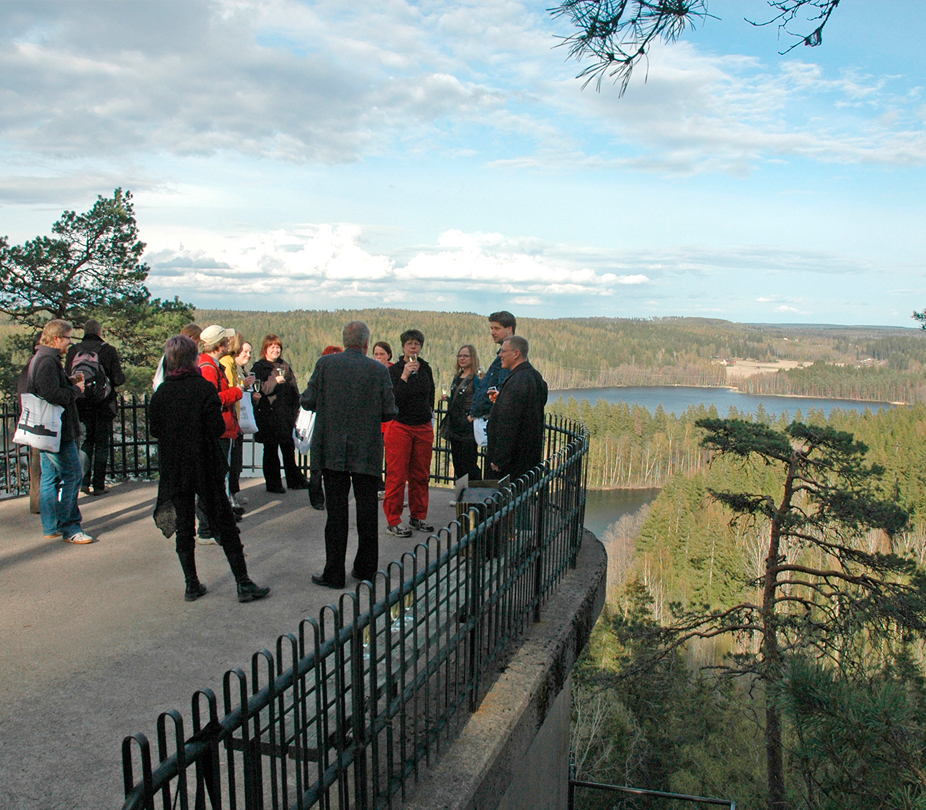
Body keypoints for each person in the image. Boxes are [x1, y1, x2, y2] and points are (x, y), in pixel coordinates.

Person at [150, 335, 270, 603]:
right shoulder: (202, 389)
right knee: (224, 523)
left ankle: (191, 584)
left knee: (184, 527)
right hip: (204, 463)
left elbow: (155, 429)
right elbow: (217, 427)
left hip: (175, 467)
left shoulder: (162, 393)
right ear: (192, 359)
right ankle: (243, 582)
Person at [300, 321, 397, 588]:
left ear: (344, 341)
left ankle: (333, 573)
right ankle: (365, 569)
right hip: (366, 450)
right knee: (367, 512)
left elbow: (307, 400)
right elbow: (389, 411)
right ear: (367, 343)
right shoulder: (379, 370)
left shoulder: (325, 364)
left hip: (332, 449)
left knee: (336, 514)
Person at [20, 319, 94, 544]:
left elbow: (46, 388)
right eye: (67, 338)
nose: (70, 343)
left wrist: (68, 382)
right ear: (55, 339)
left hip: (46, 430)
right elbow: (53, 395)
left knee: (50, 477)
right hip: (57, 430)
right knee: (74, 475)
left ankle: (51, 525)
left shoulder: (40, 358)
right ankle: (70, 527)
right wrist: (76, 389)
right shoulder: (48, 361)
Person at [65, 319, 126, 496]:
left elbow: (67, 377)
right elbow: (118, 379)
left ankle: (83, 483)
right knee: (101, 444)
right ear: (100, 332)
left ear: (85, 332)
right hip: (103, 405)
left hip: (81, 403)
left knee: (85, 442)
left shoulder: (74, 351)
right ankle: (99, 484)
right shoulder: (108, 350)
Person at [383, 329, 435, 537]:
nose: (413, 347)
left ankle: (418, 515)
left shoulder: (426, 368)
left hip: (423, 425)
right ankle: (393, 520)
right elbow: (393, 398)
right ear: (403, 347)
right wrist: (404, 375)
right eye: (410, 344)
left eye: (417, 344)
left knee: (421, 475)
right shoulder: (394, 371)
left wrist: (429, 412)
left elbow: (430, 393)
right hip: (401, 425)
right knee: (397, 475)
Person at [196, 325, 246, 542]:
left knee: (215, 480)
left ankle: (213, 526)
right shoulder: (208, 368)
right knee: (213, 480)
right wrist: (236, 392)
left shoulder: (211, 365)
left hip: (222, 429)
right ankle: (208, 529)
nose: (229, 344)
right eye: (225, 341)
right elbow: (212, 400)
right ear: (218, 345)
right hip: (218, 430)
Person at [486, 336, 548, 482]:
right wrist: (503, 397)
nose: (500, 355)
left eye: (503, 351)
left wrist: (499, 459)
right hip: (529, 457)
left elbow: (508, 423)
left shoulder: (516, 381)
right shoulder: (535, 376)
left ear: (516, 353)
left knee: (505, 495)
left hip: (512, 463)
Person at [252, 335, 309, 494]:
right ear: (265, 349)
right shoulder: (259, 367)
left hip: (285, 416)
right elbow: (260, 390)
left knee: (288, 449)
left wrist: (297, 408)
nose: (275, 350)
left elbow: (293, 388)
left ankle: (294, 480)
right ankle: (273, 483)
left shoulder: (284, 365)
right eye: (272, 347)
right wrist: (275, 381)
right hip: (268, 416)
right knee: (270, 450)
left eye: (278, 347)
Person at [220, 334, 257, 510]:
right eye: (244, 350)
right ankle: (228, 500)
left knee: (235, 462)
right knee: (229, 464)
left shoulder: (233, 366)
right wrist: (242, 388)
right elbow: (228, 391)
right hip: (229, 419)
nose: (247, 355)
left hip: (235, 419)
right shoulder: (227, 364)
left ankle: (231, 495)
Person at [440, 343, 482, 483]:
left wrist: (470, 417)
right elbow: (459, 399)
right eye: (459, 355)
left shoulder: (476, 378)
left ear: (472, 358)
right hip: (455, 425)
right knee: (458, 464)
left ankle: (475, 494)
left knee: (469, 464)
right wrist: (449, 399)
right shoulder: (458, 376)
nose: (462, 358)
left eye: (465, 356)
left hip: (467, 428)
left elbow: (481, 399)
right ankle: (462, 494)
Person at [470, 311, 516, 422]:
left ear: (509, 329)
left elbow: (502, 391)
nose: (493, 332)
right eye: (492, 329)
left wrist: (477, 412)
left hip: (491, 419)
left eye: (497, 328)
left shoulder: (510, 358)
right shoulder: (503, 356)